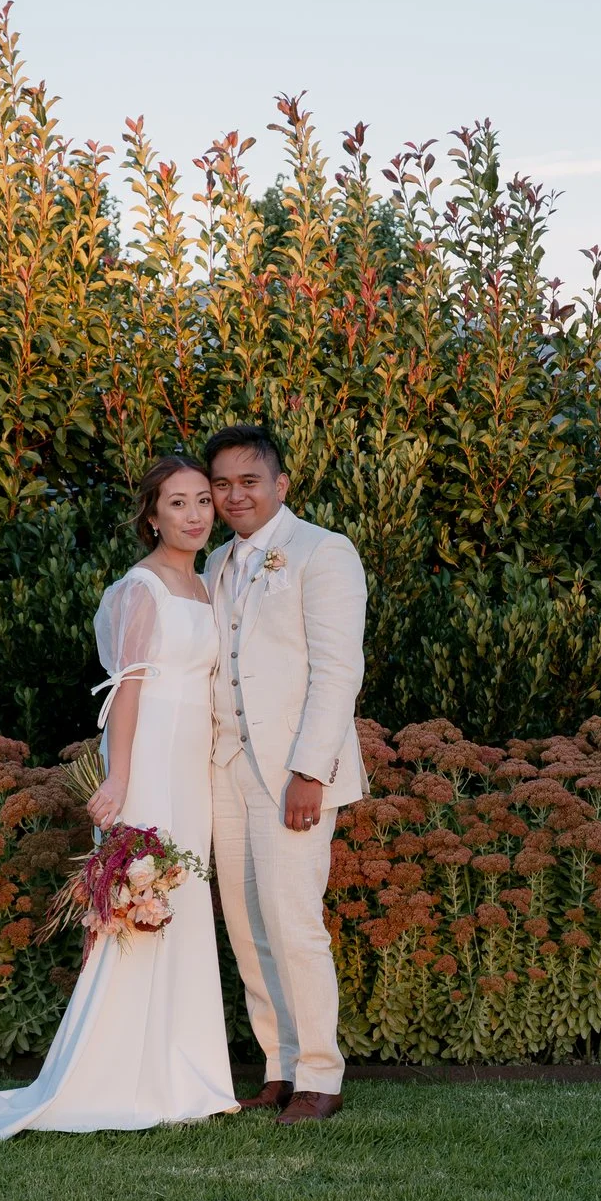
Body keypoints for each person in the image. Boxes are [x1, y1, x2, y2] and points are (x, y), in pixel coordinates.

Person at [0, 456, 239, 1138]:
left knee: (184, 902)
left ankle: (186, 1070)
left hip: (192, 767)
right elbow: (130, 687)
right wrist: (118, 777)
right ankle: (112, 1073)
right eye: (178, 503)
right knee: (138, 894)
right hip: (147, 761)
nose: (195, 514)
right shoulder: (139, 588)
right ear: (152, 515)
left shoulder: (208, 586)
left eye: (203, 500)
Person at [201, 424, 367, 1125]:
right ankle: (279, 1063)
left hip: (293, 771)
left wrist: (311, 772)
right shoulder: (213, 563)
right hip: (226, 766)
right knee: (247, 929)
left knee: (295, 924)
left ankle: (321, 1077)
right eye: (222, 483)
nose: (234, 494)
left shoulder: (323, 552)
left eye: (249, 480)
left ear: (280, 485)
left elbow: (338, 670)